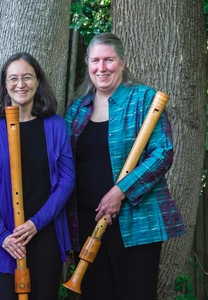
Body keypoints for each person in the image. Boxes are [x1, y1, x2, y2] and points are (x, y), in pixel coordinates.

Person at [65, 32, 185, 300]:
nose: (102, 67)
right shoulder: (76, 110)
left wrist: (119, 192)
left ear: (122, 62)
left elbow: (162, 153)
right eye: (95, 60)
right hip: (88, 221)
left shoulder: (144, 99)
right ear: (88, 64)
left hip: (135, 221)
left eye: (109, 60)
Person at [0, 52, 75, 300]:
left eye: (27, 77)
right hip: (5, 235)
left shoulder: (55, 125)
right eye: (13, 78)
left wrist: (36, 223)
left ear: (38, 81)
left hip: (44, 231)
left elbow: (67, 179)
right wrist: (2, 236)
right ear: (5, 83)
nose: (20, 84)